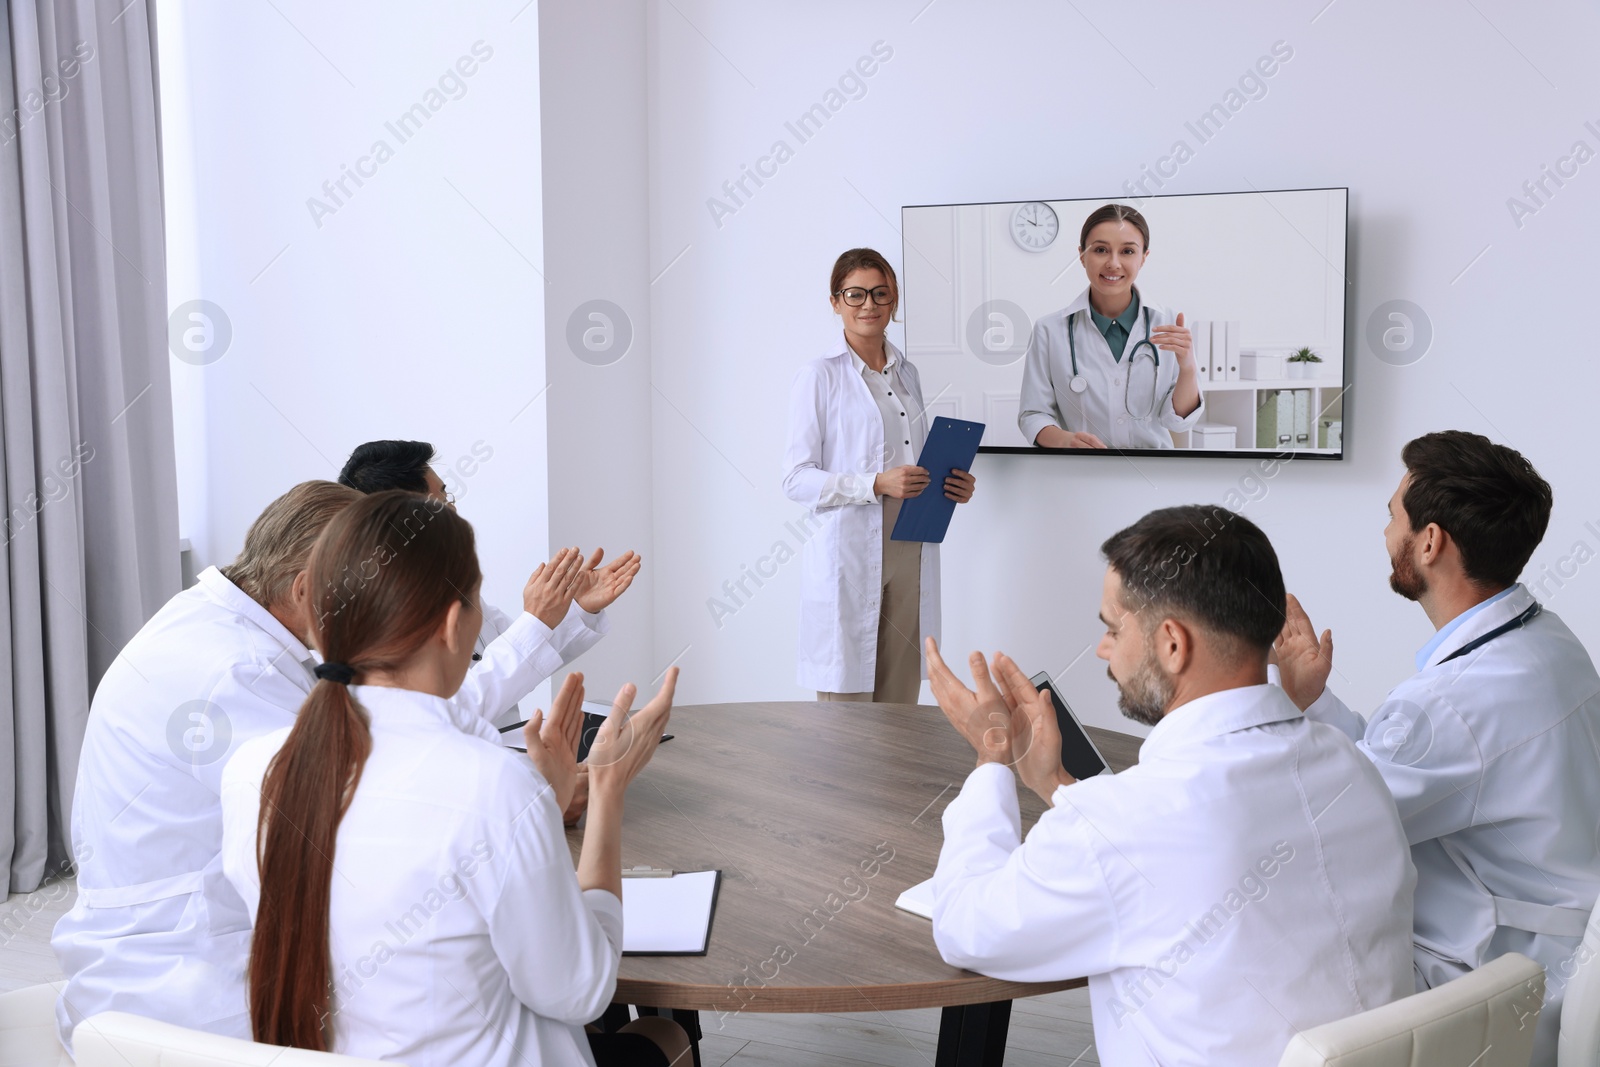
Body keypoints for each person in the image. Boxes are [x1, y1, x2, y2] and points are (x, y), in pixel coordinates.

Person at [52, 482, 602, 1052]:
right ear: (306, 588)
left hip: (188, 955)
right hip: (191, 993)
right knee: (519, 986)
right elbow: (377, 770)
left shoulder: (221, 625)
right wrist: (532, 797)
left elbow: (395, 719)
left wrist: (540, 639)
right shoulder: (235, 673)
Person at [925, 505, 1416, 1066]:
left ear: (1172, 644)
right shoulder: (1353, 770)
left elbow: (966, 928)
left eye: (1112, 628)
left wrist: (991, 761)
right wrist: (1055, 785)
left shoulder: (1128, 822)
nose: (1104, 650)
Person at [219, 490, 686, 1066]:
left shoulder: (252, 771)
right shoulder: (492, 789)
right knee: (666, 1039)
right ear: (451, 622)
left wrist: (544, 798)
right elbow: (581, 992)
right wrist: (607, 792)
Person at [1275, 430, 1600, 1066]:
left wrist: (1266, 711)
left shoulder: (1450, 703)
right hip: (1557, 961)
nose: (1386, 527)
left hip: (1494, 994)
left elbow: (1320, 828)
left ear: (1430, 542)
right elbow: (1392, 773)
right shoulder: (1549, 642)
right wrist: (1314, 703)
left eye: (1393, 512)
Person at [336, 438, 642, 727]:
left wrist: (575, 610)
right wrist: (536, 619)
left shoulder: (444, 581)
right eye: (442, 497)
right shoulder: (372, 612)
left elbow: (525, 655)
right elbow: (448, 713)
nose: (453, 508)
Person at [783, 247, 976, 702]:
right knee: (845, 714)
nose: (868, 304)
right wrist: (873, 483)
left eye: (880, 293)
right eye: (855, 294)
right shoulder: (819, 376)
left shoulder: (907, 374)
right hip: (850, 550)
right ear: (835, 301)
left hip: (911, 543)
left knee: (899, 701)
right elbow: (795, 478)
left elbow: (917, 457)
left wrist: (953, 484)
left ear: (893, 301)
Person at [1018, 204, 1204, 450]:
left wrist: (1188, 368)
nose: (1113, 263)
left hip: (1153, 475)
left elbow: (1177, 422)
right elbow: (1033, 415)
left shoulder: (1169, 324)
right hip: (1079, 473)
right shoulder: (1049, 330)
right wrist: (1066, 440)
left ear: (1143, 258)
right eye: (1101, 250)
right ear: (1082, 255)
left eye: (1127, 251)